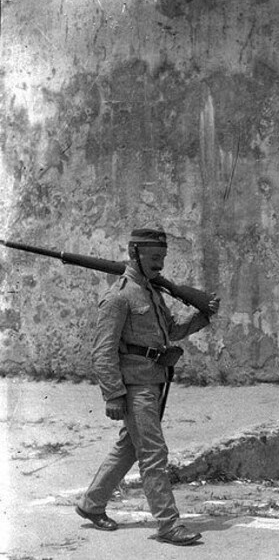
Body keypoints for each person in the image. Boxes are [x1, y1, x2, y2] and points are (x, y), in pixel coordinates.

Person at [75, 227, 220, 546]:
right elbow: (102, 350)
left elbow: (171, 330)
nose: (160, 265)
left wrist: (203, 316)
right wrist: (113, 394)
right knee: (153, 452)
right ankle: (168, 525)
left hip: (154, 382)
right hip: (133, 387)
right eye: (154, 258)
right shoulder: (119, 296)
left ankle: (91, 504)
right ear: (134, 254)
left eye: (162, 258)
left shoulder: (153, 293)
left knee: (130, 446)